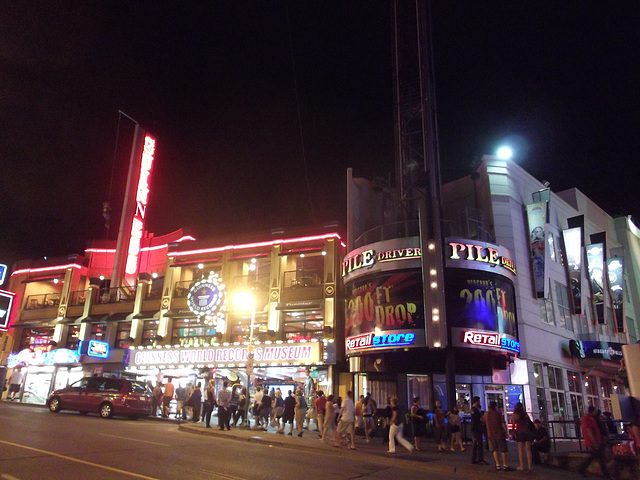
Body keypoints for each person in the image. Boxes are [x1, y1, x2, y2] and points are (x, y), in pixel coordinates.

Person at [578, 405, 611, 478]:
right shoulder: (587, 419)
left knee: (596, 456)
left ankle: (605, 474)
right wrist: (595, 442)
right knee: (597, 457)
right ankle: (581, 468)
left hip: (596, 440)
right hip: (594, 441)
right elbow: (589, 430)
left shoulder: (591, 418)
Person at [483, 400, 509, 471]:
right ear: (495, 406)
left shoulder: (486, 414)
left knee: (495, 449)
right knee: (503, 449)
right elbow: (503, 423)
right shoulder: (498, 414)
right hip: (499, 433)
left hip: (491, 434)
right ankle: (505, 464)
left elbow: (483, 420)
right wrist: (506, 432)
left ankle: (497, 464)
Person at [512, 402, 533, 471]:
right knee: (528, 450)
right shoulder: (525, 414)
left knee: (520, 450)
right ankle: (530, 466)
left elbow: (513, 424)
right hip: (527, 432)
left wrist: (513, 433)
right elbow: (529, 422)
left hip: (520, 432)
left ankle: (522, 466)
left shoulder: (515, 415)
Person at [470, 396, 488, 465]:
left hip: (476, 428)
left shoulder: (475, 409)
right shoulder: (474, 410)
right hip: (476, 428)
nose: (479, 402)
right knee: (478, 443)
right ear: (476, 402)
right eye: (479, 401)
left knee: (476, 443)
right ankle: (479, 458)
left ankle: (474, 458)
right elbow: (476, 419)